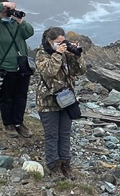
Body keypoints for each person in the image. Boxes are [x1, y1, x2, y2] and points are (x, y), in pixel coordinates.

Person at [34, 27, 86, 176]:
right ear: (49, 41)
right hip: (48, 101)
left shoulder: (66, 53)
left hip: (66, 100)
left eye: (63, 42)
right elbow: (49, 72)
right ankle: (53, 165)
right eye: (58, 42)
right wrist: (57, 54)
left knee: (65, 133)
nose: (62, 45)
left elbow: (81, 71)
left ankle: (65, 163)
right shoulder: (41, 54)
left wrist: (76, 54)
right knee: (52, 135)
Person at [0, 0, 35, 137]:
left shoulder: (15, 24)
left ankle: (19, 122)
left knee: (21, 96)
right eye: (6, 9)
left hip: (21, 67)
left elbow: (29, 32)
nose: (8, 12)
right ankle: (9, 124)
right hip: (4, 67)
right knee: (7, 96)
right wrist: (3, 5)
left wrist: (20, 21)